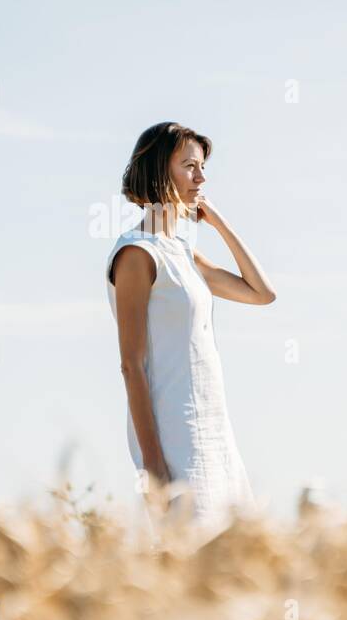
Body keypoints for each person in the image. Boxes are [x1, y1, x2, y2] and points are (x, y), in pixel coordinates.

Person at [105, 122, 277, 535]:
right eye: (189, 167)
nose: (201, 178)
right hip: (173, 437)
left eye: (202, 167)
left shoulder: (181, 252)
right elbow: (131, 363)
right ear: (158, 172)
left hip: (215, 431)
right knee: (187, 557)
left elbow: (261, 293)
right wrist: (153, 465)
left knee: (236, 559)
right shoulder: (137, 254)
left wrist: (217, 222)